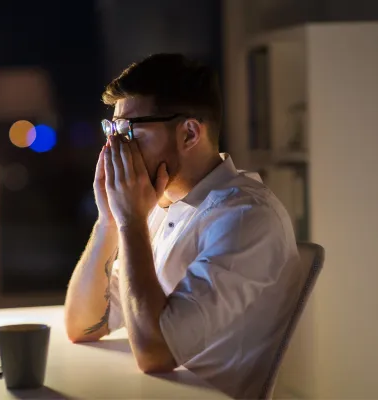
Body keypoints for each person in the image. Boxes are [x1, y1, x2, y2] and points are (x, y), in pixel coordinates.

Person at [64, 53, 301, 399]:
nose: (115, 146)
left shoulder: (246, 218)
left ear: (189, 133)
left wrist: (131, 222)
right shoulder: (164, 205)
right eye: (112, 129)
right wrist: (109, 220)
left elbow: (155, 355)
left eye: (129, 130)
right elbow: (82, 325)